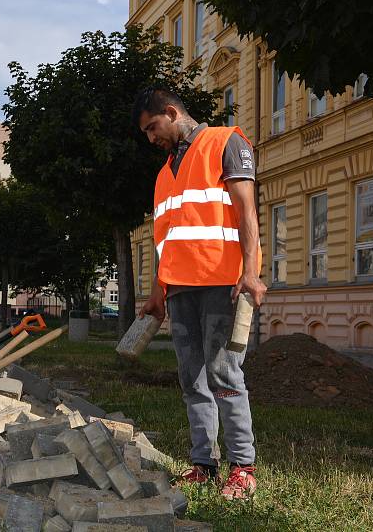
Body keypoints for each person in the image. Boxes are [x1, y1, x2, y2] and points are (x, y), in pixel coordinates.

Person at [134, 87, 266, 500]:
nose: (151, 138)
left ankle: (242, 467)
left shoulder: (226, 143)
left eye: (153, 127)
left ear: (172, 113)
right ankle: (203, 464)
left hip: (223, 284)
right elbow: (165, 240)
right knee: (192, 378)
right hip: (180, 291)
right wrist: (158, 291)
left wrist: (251, 273)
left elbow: (247, 212)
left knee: (225, 374)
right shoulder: (164, 175)